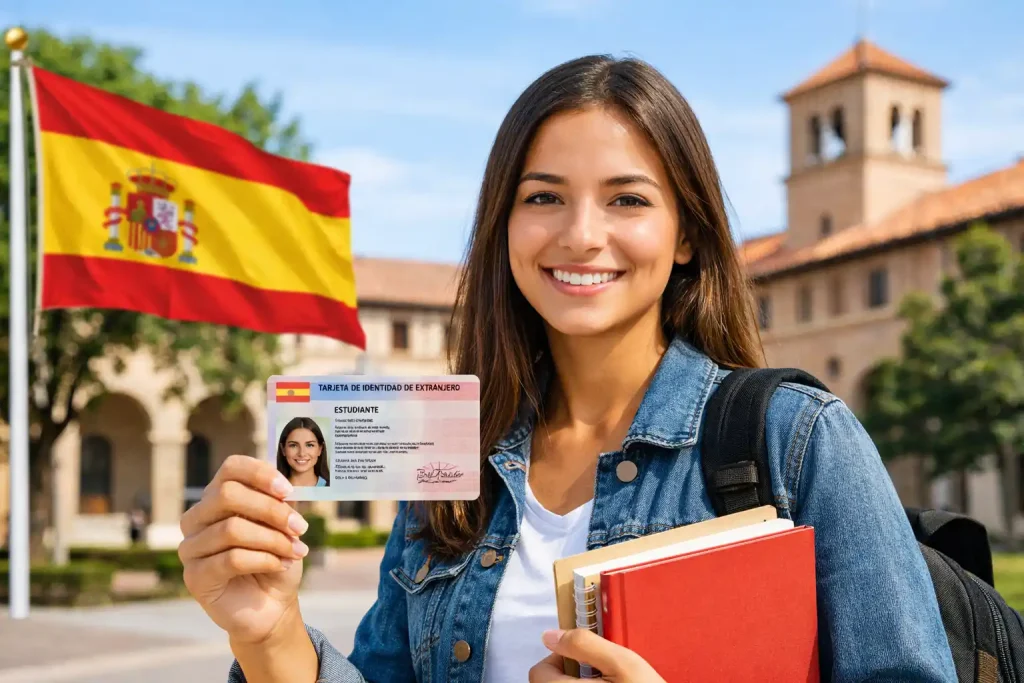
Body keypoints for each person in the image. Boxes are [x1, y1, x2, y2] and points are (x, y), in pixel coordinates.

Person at [178, 55, 958, 682]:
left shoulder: (799, 440)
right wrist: (270, 632)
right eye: (544, 196)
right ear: (504, 223)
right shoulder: (454, 459)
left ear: (686, 234)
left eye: (627, 201)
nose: (582, 234)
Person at [276, 416, 330, 488]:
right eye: (293, 445)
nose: (302, 453)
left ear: (320, 449)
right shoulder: (273, 490)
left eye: (309, 445)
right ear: (283, 449)